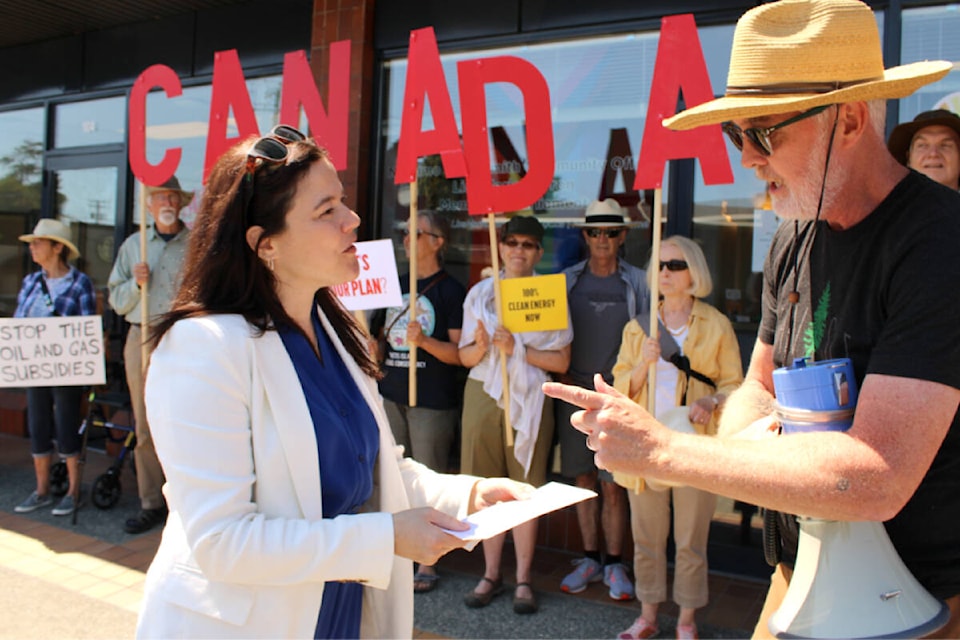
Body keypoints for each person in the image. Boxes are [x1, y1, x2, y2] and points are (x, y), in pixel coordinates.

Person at [543, 1, 960, 638]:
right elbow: (756, 387)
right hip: (797, 573)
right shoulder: (793, 238)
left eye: (762, 132)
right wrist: (785, 452)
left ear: (847, 118)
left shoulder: (938, 241)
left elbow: (875, 476)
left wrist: (664, 451)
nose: (746, 158)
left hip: (916, 600)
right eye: (733, 134)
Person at [134, 126, 529, 638]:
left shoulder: (339, 334)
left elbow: (375, 471)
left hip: (339, 617)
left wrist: (468, 494)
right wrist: (384, 536)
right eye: (326, 211)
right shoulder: (203, 348)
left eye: (342, 201)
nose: (353, 220)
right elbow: (223, 541)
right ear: (265, 244)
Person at [611, 236, 743, 640]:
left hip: (694, 444)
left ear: (694, 274)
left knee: (690, 540)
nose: (665, 272)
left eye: (675, 265)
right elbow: (619, 387)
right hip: (646, 445)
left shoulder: (716, 324)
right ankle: (648, 615)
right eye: (660, 265)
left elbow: (736, 385)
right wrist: (642, 367)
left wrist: (715, 401)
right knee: (646, 538)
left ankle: (686, 621)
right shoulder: (639, 328)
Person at [458, 215, 572, 615]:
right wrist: (484, 346)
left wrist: (518, 351)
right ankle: (491, 573)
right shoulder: (481, 295)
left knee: (526, 488)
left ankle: (523, 577)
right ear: (501, 247)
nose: (519, 250)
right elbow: (464, 357)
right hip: (483, 393)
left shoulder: (547, 295)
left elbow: (560, 360)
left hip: (530, 398)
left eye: (528, 244)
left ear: (539, 252)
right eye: (512, 243)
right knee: (487, 488)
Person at [556, 198, 648, 601]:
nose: (603, 239)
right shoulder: (565, 281)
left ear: (623, 236)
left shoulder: (639, 283)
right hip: (574, 391)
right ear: (585, 235)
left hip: (620, 397)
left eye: (611, 232)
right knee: (583, 479)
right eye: (595, 231)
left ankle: (615, 564)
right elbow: (542, 332)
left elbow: (650, 340)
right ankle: (589, 557)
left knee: (614, 485)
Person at [374, 209, 467, 594]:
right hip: (392, 393)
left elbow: (461, 352)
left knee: (428, 478)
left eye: (417, 232)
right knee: (393, 479)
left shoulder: (450, 290)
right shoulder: (393, 286)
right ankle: (398, 554)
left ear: (438, 242)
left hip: (431, 398)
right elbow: (378, 339)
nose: (408, 239)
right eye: (406, 232)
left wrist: (425, 341)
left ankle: (428, 562)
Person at [107, 175, 192, 535]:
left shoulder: (197, 245)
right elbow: (115, 298)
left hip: (185, 339)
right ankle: (151, 502)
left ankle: (188, 504)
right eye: (159, 197)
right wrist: (135, 284)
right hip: (141, 338)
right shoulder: (134, 246)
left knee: (189, 422)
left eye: (171, 196)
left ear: (181, 202)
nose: (166, 202)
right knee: (145, 424)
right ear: (149, 205)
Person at [13, 219, 96, 517]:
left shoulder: (79, 283)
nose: (33, 247)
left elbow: (86, 329)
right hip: (35, 367)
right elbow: (19, 321)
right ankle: (42, 489)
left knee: (66, 426)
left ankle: (73, 492)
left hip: (66, 370)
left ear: (57, 247)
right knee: (38, 426)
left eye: (39, 242)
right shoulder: (30, 282)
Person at [887, 109, 960, 190]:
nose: (933, 154)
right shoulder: (888, 202)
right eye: (922, 145)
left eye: (945, 145)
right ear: (908, 158)